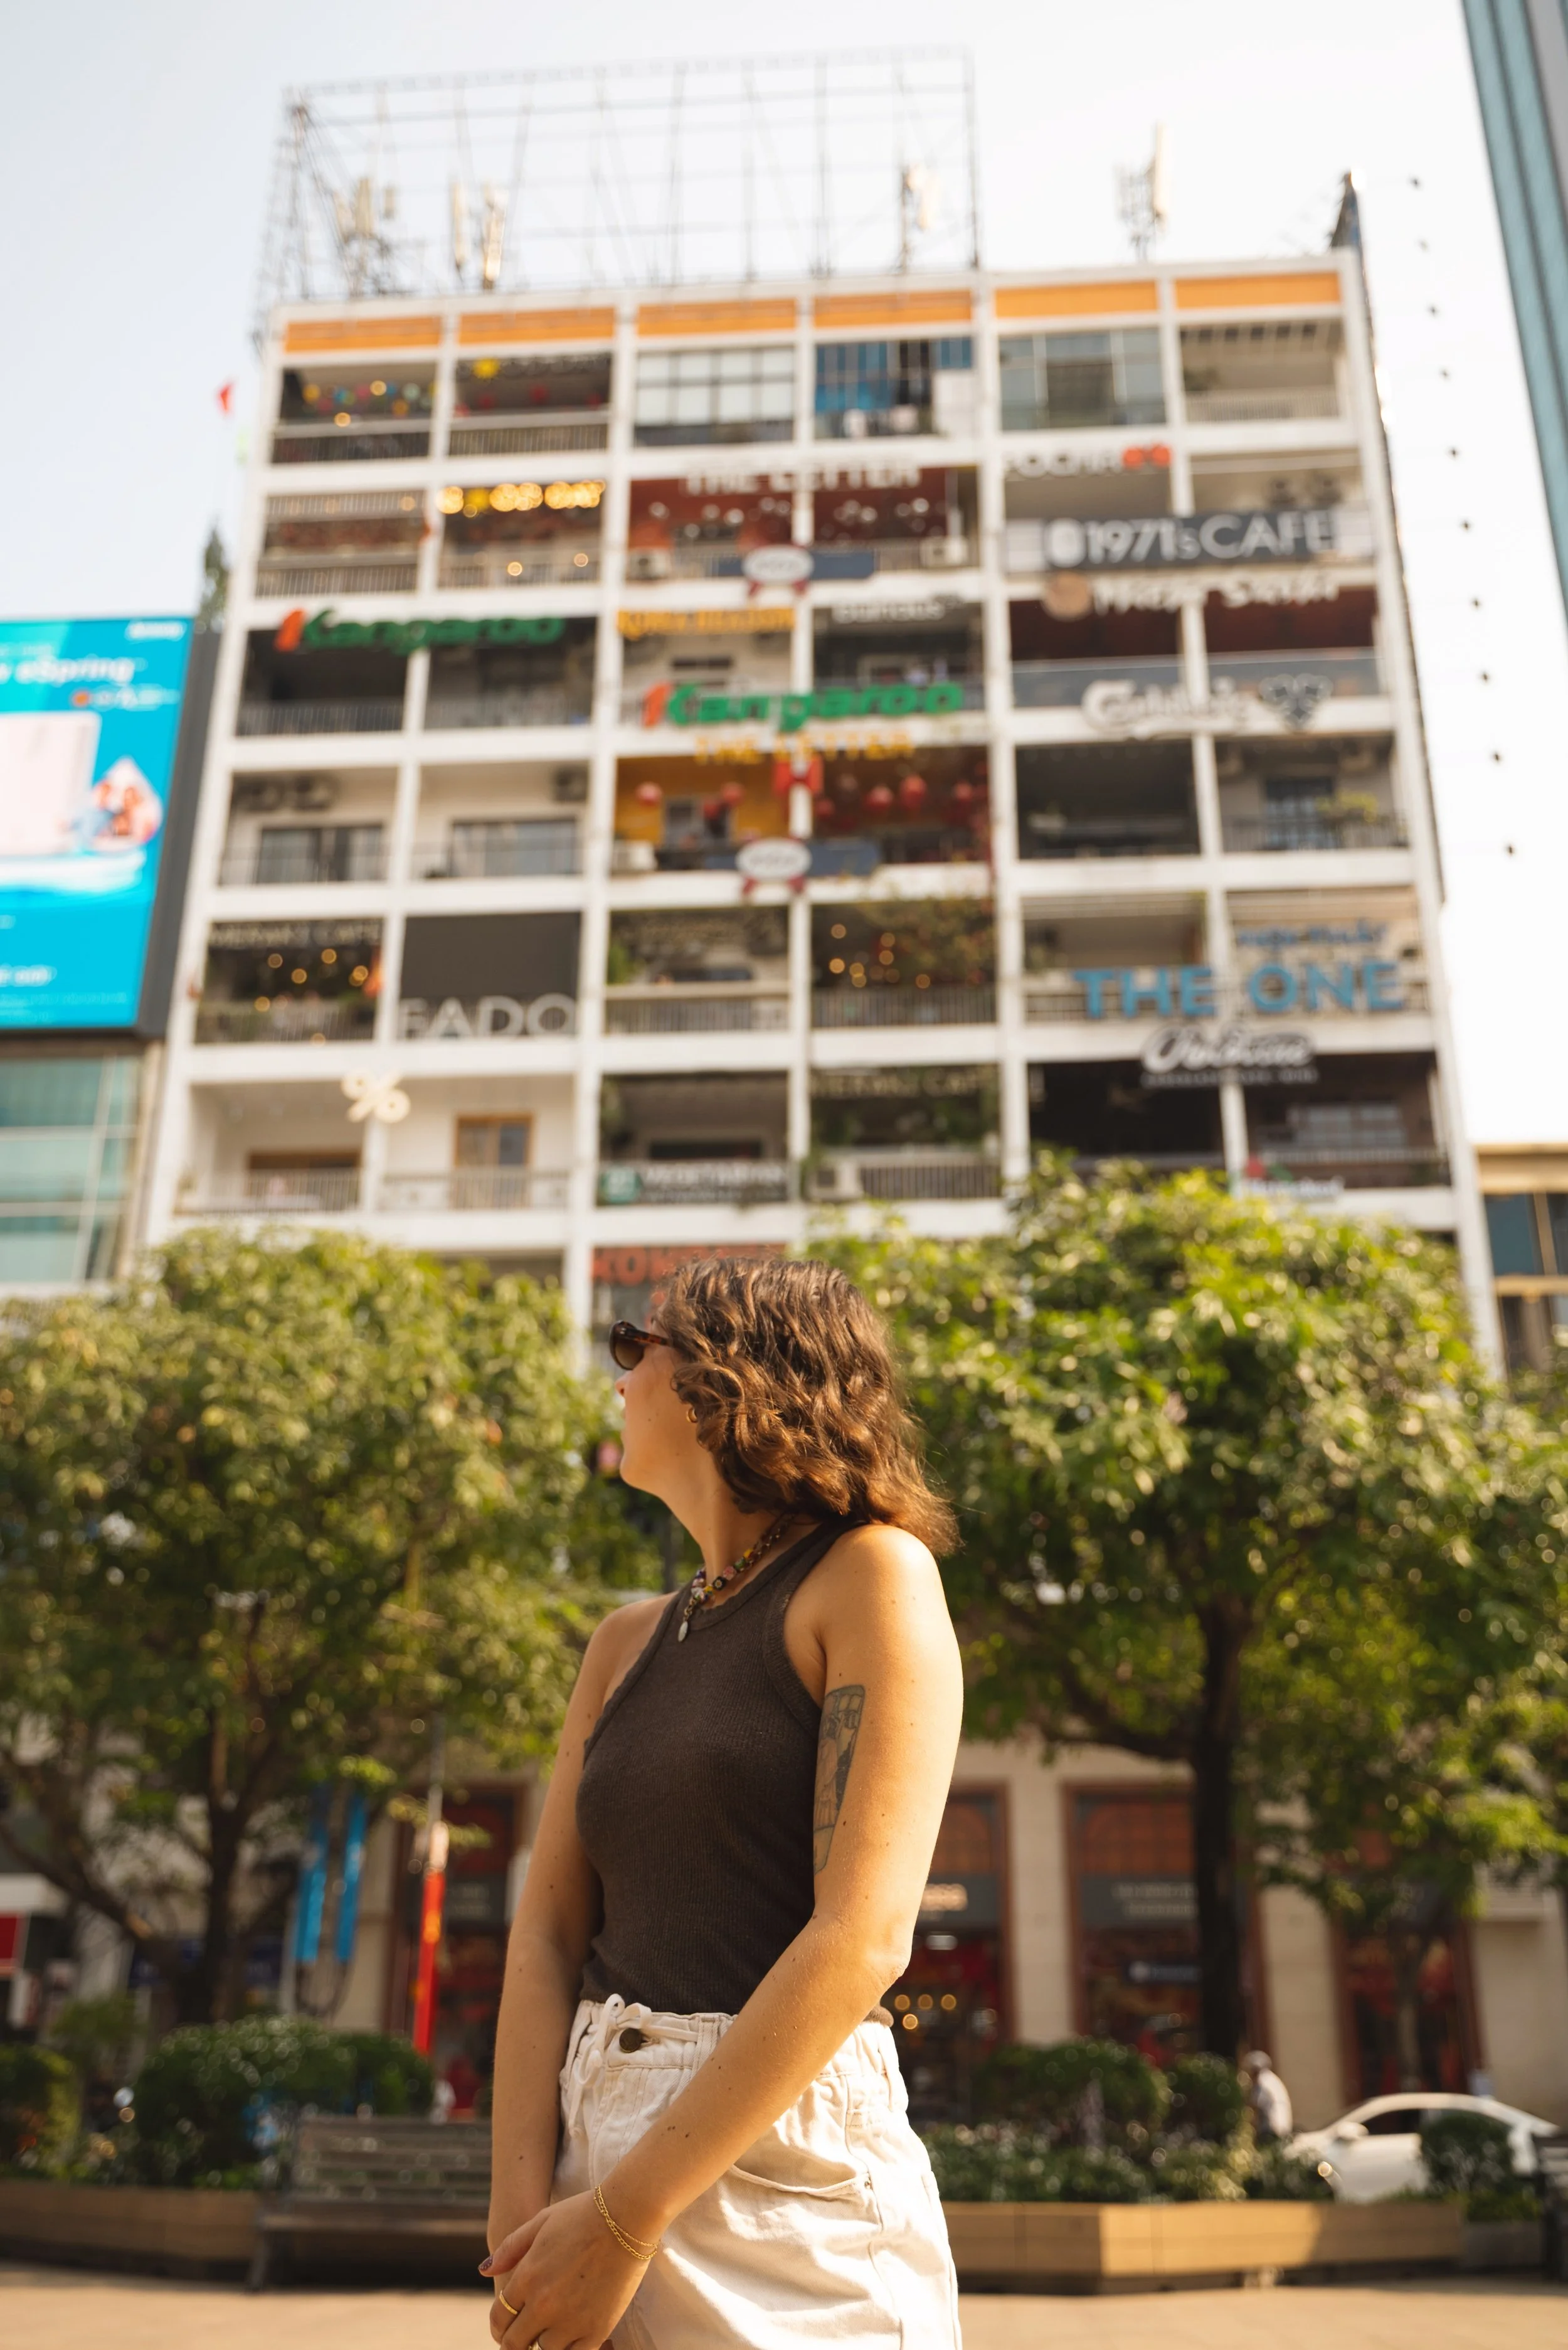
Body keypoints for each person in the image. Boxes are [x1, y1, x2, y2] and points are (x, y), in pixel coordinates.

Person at [482, 1256, 965, 2350]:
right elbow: (547, 1936)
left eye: (630, 1346)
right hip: (591, 2134)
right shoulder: (621, 1644)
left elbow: (862, 1939)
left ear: (725, 1375)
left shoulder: (870, 1575)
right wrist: (522, 2219)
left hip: (778, 2171)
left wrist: (627, 2215)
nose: (614, 1380)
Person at [1244, 2050, 1293, 2144]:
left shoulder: (1262, 2081)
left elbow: (1255, 2105)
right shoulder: (1272, 2079)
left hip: (1271, 2128)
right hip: (1282, 2126)